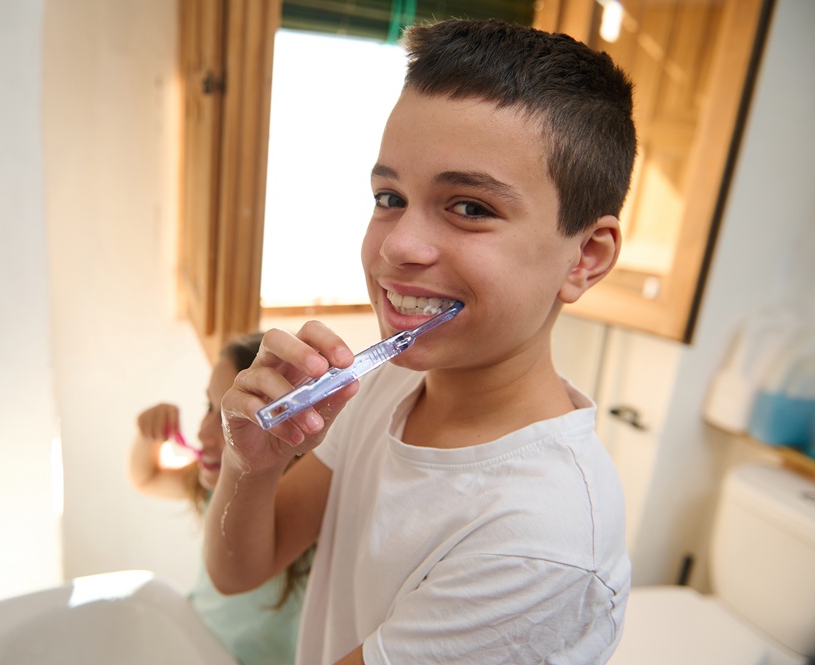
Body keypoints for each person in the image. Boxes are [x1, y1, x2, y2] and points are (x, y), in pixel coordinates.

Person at [205, 18, 636, 665]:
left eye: (470, 207)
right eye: (390, 196)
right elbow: (241, 569)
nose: (398, 245)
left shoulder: (540, 538)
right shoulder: (393, 383)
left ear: (585, 258)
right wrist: (253, 465)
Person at [128, 332, 313, 665]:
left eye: (231, 417)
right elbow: (147, 478)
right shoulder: (214, 487)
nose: (203, 431)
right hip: (192, 637)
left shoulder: (308, 509)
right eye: (209, 407)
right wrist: (148, 437)